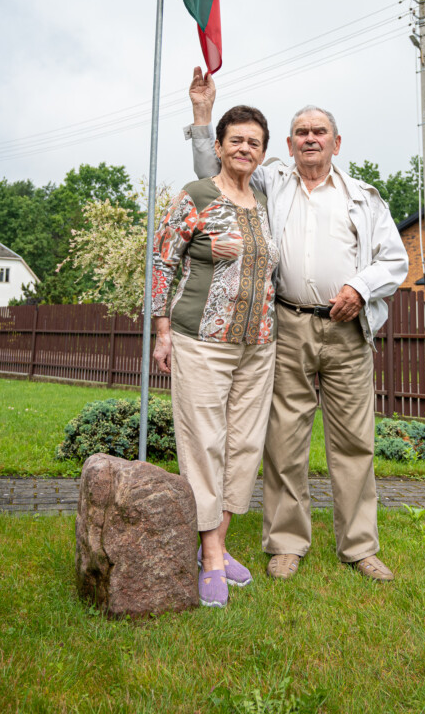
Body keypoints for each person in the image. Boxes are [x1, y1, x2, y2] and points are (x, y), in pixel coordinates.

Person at [185, 68, 409, 582]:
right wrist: (203, 116)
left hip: (347, 330)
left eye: (319, 132)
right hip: (286, 325)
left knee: (354, 441)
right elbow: (210, 175)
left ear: (335, 142)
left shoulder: (365, 196)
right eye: (301, 133)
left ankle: (359, 546)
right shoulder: (269, 181)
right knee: (284, 440)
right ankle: (286, 543)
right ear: (287, 145)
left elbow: (394, 261)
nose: (311, 139)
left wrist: (358, 287)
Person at [152, 104, 279, 608]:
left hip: (259, 342)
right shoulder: (197, 195)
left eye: (254, 142)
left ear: (262, 152)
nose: (244, 149)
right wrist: (162, 330)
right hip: (201, 339)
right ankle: (209, 556)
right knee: (205, 444)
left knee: (244, 446)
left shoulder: (266, 202)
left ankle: (220, 543)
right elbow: (162, 262)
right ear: (220, 147)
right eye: (236, 140)